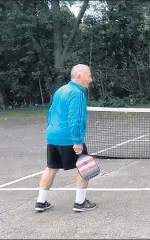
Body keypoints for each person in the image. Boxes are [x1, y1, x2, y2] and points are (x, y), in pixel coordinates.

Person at [34, 64, 96, 212]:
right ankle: (80, 202)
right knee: (86, 168)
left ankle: (41, 202)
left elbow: (50, 113)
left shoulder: (60, 90)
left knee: (51, 168)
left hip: (53, 136)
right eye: (88, 75)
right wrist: (77, 141)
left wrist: (51, 131)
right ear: (79, 75)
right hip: (69, 138)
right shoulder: (77, 93)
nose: (90, 79)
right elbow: (75, 118)